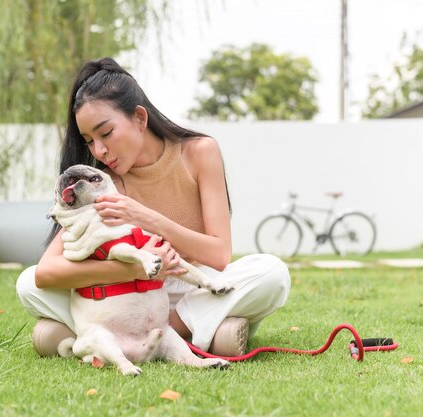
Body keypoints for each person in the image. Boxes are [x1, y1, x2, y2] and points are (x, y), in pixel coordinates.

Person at [16, 57, 291, 358]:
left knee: (272, 273)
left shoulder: (199, 152)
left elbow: (219, 254)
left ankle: (156, 333)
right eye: (89, 141)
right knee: (27, 284)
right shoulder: (104, 182)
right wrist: (136, 269)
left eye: (105, 133)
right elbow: (46, 273)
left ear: (139, 118)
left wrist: (144, 216)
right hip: (127, 296)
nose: (99, 150)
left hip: (194, 288)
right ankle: (205, 334)